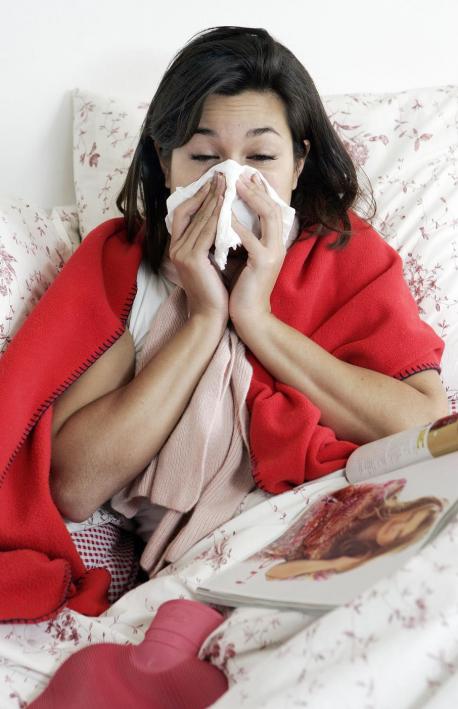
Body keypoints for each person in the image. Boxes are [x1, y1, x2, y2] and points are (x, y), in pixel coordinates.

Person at [0, 26, 449, 620]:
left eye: (261, 158)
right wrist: (204, 318)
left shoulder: (345, 251)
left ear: (298, 164)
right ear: (165, 163)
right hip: (201, 571)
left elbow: (423, 426)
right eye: (204, 157)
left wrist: (257, 320)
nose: (231, 180)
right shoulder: (123, 266)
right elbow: (74, 487)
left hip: (343, 526)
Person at [260, 480, 445, 579]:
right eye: (409, 519)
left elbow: (273, 573)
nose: (397, 527)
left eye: (400, 534)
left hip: (269, 535)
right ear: (406, 509)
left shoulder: (354, 556)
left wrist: (332, 564)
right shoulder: (373, 499)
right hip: (296, 494)